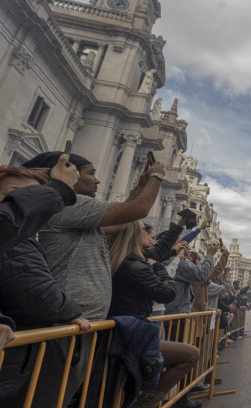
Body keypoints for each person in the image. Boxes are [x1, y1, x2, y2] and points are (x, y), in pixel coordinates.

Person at [20, 151, 164, 408]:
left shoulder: (73, 212)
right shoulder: (67, 204)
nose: (97, 181)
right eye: (91, 173)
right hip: (65, 327)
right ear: (63, 172)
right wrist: (157, 176)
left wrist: (142, 184)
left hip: (80, 326)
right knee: (49, 398)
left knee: (66, 395)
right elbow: (138, 210)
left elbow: (123, 220)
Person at [0, 160, 92, 404]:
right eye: (19, 196)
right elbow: (36, 292)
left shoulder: (25, 239)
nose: (31, 203)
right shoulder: (15, 239)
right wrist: (59, 188)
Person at [107, 221, 201, 408]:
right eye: (146, 229)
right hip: (130, 336)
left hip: (129, 331)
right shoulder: (134, 265)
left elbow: (161, 250)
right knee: (190, 354)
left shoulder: (127, 259)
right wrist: (158, 268)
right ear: (134, 234)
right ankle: (145, 403)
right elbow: (167, 293)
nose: (151, 234)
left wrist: (180, 225)